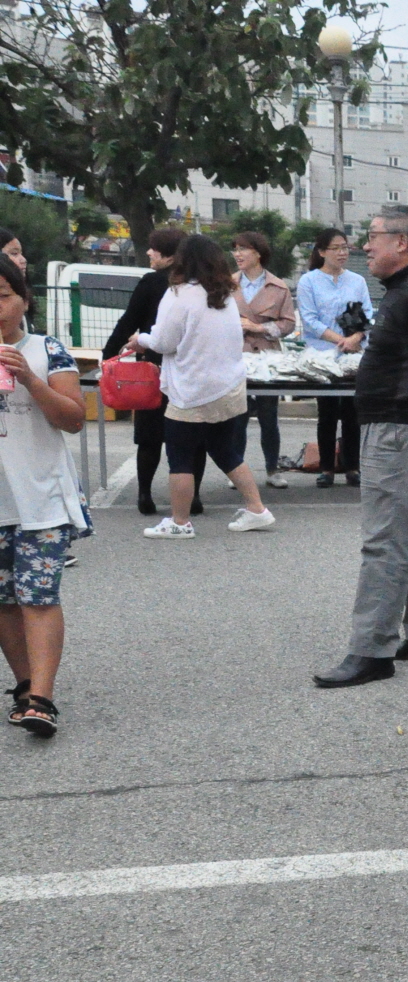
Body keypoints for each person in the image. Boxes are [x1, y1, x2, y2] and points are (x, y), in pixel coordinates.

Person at [312, 205, 408, 689]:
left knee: (386, 540)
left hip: (402, 430)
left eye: (373, 236)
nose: (365, 246)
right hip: (404, 428)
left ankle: (371, 649)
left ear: (402, 243)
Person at [126, 234, 275, 539]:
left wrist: (140, 339)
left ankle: (180, 523)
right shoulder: (225, 294)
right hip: (229, 385)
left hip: (192, 388)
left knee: (180, 456)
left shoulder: (179, 294)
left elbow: (164, 342)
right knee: (224, 449)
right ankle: (257, 509)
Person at [0, 255, 88, 738]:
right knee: (3, 601)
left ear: (24, 299)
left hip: (41, 498)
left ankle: (42, 699)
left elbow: (73, 419)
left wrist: (30, 380)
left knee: (37, 597)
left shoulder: (46, 349)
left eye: (3, 296)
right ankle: (24, 686)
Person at [105, 227, 194, 517]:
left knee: (149, 435)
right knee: (192, 436)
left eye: (154, 248)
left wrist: (107, 357)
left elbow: (128, 321)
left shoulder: (151, 282)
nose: (148, 252)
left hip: (151, 368)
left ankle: (145, 494)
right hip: (188, 369)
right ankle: (193, 498)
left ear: (168, 254)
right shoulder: (197, 284)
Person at [296, 228, 372, 487]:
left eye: (345, 247)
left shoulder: (357, 281)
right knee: (327, 412)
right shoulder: (309, 281)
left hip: (353, 353)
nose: (342, 253)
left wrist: (355, 338)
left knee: (352, 411)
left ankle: (353, 466)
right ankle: (327, 467)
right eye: (336, 248)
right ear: (321, 252)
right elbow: (309, 319)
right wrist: (338, 339)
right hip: (322, 355)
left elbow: (367, 314)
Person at [231, 230, 296, 489]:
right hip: (236, 355)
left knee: (269, 417)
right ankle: (236, 471)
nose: (237, 254)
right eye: (235, 249)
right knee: (238, 417)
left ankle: (272, 469)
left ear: (258, 253)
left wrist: (259, 327)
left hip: (268, 358)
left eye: (243, 249)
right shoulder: (227, 284)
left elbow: (289, 324)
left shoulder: (278, 287)